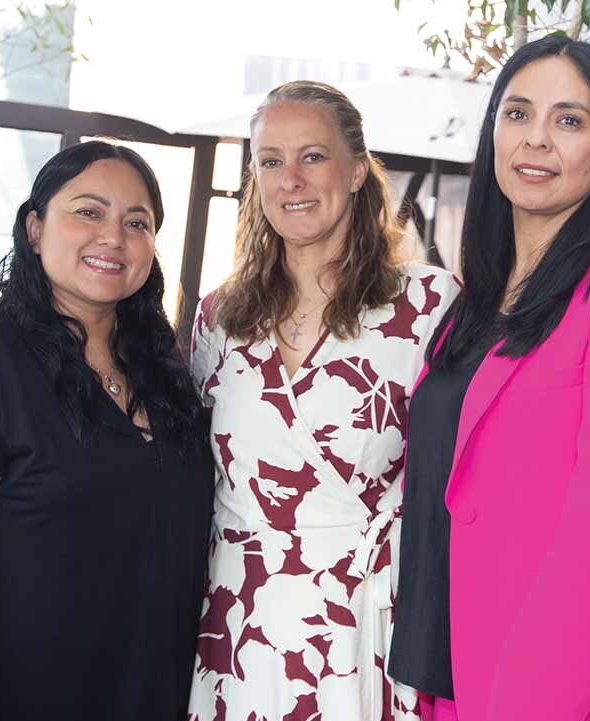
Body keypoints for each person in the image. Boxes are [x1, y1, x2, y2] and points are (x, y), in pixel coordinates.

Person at [387, 35, 590, 721]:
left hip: (567, 689)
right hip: (451, 673)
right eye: (517, 113)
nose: (536, 138)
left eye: (568, 119)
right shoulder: (473, 304)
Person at [0, 141, 213, 721]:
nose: (113, 237)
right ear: (35, 229)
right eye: (88, 212)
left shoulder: (167, 375)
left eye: (137, 222)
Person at [186, 80, 460, 721]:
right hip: (239, 623)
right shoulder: (219, 316)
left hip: (368, 625)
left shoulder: (429, 305)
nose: (291, 180)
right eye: (270, 161)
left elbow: (462, 475)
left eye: (312, 156)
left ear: (358, 170)